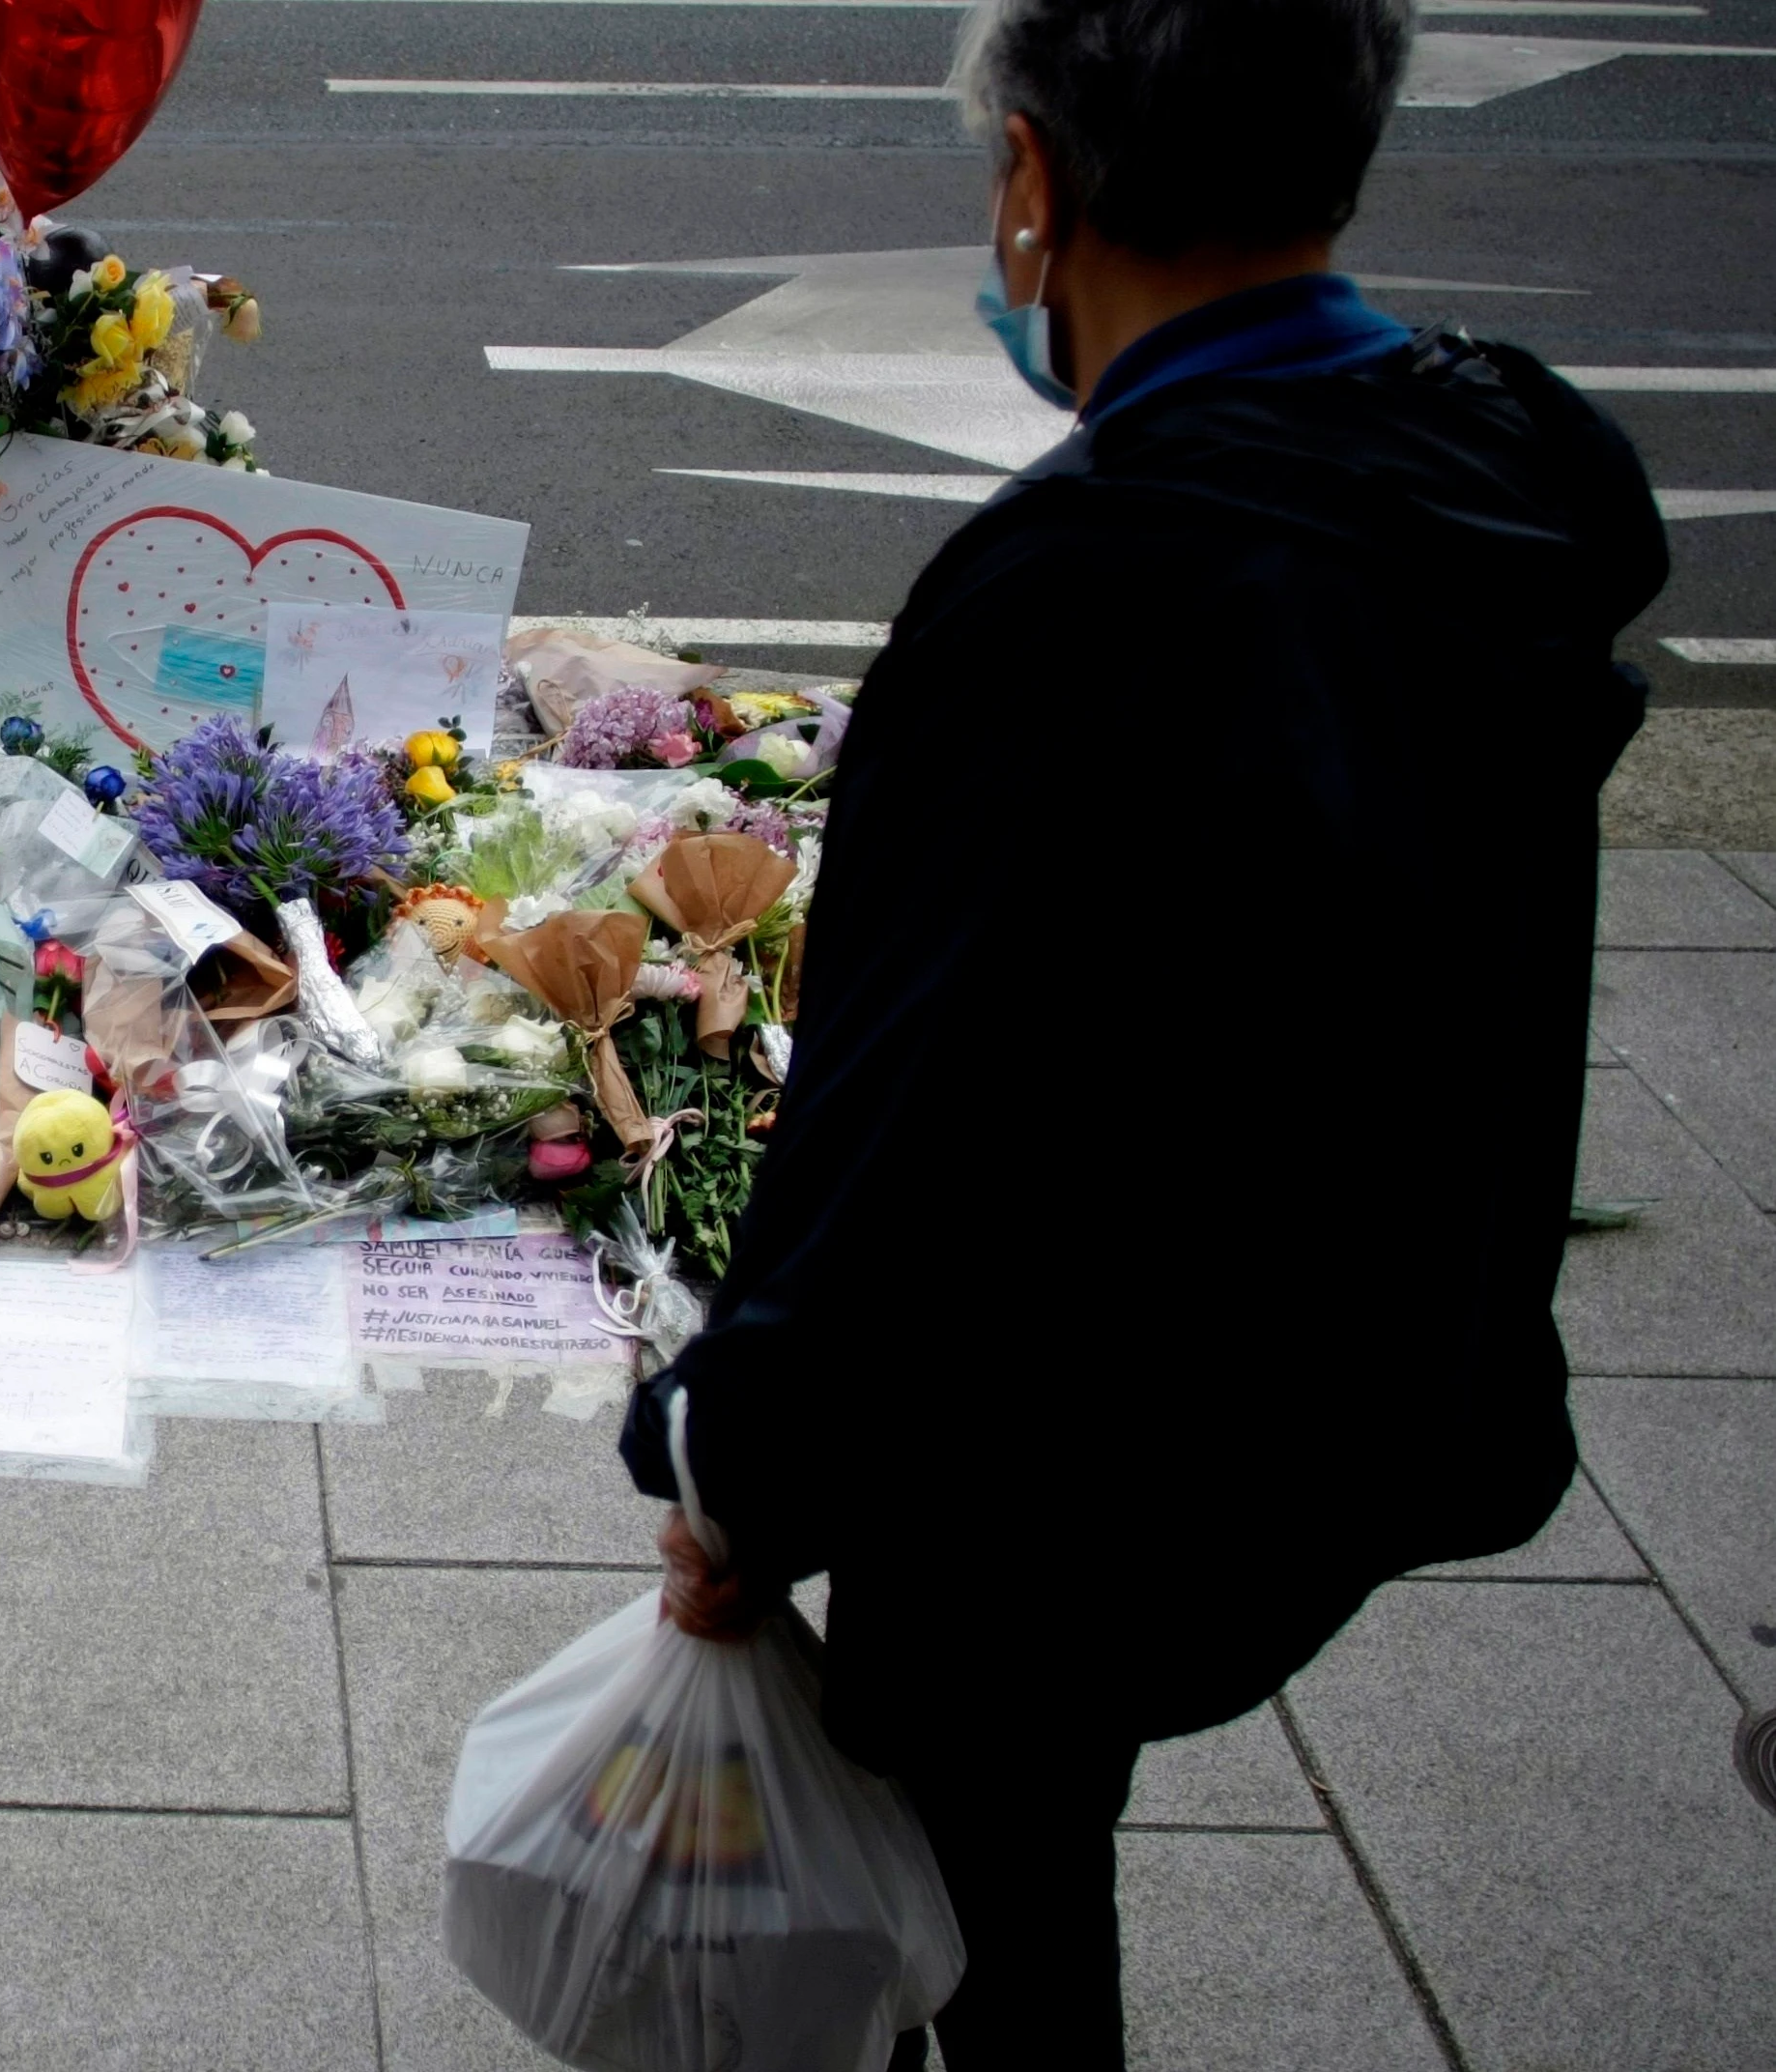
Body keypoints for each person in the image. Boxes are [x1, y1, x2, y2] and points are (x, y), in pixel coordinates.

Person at [616, 0, 1662, 2062]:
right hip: (1365, 1368)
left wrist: (729, 1462)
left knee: (997, 1873)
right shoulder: (1508, 465)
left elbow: (917, 1122)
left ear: (1030, 180)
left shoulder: (1076, 595)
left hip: (1068, 1455)